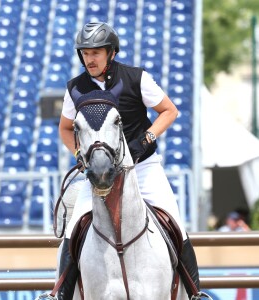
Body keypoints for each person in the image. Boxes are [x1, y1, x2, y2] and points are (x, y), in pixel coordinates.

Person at [58, 22, 207, 299]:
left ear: (111, 53)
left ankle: (196, 294)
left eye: (96, 53)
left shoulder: (136, 78)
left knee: (175, 223)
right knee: (73, 230)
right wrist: (79, 155)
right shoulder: (75, 89)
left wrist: (146, 139)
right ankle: (60, 294)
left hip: (143, 169)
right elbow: (65, 129)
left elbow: (169, 111)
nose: (89, 59)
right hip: (99, 174)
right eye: (85, 53)